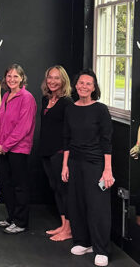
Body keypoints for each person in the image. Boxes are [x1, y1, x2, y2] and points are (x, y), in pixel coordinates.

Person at [62, 69, 114, 267]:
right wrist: (65, 165)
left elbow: (106, 141)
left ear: (94, 88)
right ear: (76, 85)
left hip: (96, 163)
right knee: (76, 203)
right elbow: (66, 139)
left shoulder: (100, 109)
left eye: (88, 84)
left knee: (97, 207)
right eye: (81, 83)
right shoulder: (70, 109)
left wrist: (107, 170)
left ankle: (101, 249)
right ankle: (83, 241)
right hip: (74, 162)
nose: (84, 86)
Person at [0, 64, 36, 234]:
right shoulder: (6, 95)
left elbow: (23, 127)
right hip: (4, 149)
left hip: (18, 149)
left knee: (19, 186)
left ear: (22, 78)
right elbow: (0, 122)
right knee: (5, 184)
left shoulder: (27, 98)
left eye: (15, 76)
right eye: (9, 76)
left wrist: (6, 145)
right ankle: (11, 217)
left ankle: (21, 222)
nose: (12, 79)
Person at [40, 65, 73, 242]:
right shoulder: (46, 99)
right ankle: (62, 224)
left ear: (63, 81)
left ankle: (69, 229)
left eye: (57, 78)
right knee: (56, 189)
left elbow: (69, 131)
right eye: (50, 77)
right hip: (46, 151)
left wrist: (66, 160)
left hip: (60, 153)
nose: (53, 81)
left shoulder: (67, 102)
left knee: (64, 190)